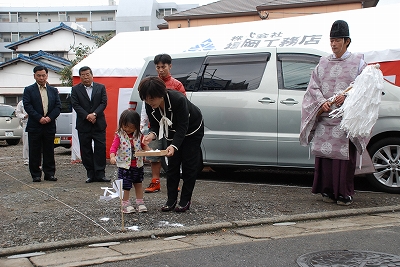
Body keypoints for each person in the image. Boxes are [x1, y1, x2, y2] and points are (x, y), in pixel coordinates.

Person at [300, 20, 367, 206]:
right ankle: (327, 191)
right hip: (324, 116)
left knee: (343, 159)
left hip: (345, 119)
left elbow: (364, 89)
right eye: (331, 40)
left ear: (347, 41)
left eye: (337, 40)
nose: (333, 44)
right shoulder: (322, 63)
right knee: (325, 157)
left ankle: (344, 193)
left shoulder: (358, 62)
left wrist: (347, 99)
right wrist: (321, 103)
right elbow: (313, 87)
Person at [139, 76, 204, 212]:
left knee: (189, 165)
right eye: (146, 99)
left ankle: (185, 200)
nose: (149, 102)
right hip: (171, 130)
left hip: (192, 129)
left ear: (161, 94)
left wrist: (174, 146)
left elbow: (183, 126)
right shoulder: (149, 103)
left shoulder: (178, 99)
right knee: (172, 165)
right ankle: (171, 199)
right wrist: (151, 136)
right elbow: (155, 125)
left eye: (152, 98)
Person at [141, 53, 186, 193]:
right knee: (154, 154)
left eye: (163, 67)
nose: (161, 70)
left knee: (171, 154)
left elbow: (183, 107)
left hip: (172, 127)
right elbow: (146, 106)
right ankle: (155, 182)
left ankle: (173, 181)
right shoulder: (150, 83)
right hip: (155, 125)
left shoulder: (176, 84)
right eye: (158, 67)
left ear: (170, 66)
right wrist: (144, 124)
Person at [71, 66, 110, 183]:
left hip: (98, 123)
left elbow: (104, 103)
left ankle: (100, 174)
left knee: (100, 148)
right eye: (83, 75)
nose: (85, 77)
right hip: (84, 124)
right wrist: (87, 116)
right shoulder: (76, 89)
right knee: (86, 149)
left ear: (92, 75)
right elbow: (75, 104)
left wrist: (94, 114)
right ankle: (90, 174)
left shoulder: (100, 87)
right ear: (80, 77)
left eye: (87, 74)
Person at [23, 66, 61, 182]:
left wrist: (49, 118)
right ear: (34, 76)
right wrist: (39, 118)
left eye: (43, 75)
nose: (41, 78)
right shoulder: (29, 90)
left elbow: (58, 107)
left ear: (47, 75)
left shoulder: (53, 90)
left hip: (49, 125)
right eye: (38, 75)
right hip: (35, 125)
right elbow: (28, 106)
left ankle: (49, 173)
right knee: (34, 151)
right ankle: (36, 174)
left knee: (49, 150)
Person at [109, 109, 151, 213]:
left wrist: (151, 152)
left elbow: (144, 145)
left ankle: (140, 202)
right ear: (121, 124)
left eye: (131, 127)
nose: (128, 129)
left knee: (138, 183)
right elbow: (113, 147)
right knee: (126, 186)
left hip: (138, 165)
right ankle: (125, 203)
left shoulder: (138, 135)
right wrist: (112, 156)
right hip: (125, 166)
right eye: (125, 126)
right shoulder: (119, 135)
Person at [16, 100, 29, 165]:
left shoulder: (36, 99)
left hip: (36, 123)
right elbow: (17, 113)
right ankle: (26, 159)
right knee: (26, 142)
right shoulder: (21, 103)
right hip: (26, 123)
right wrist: (24, 116)